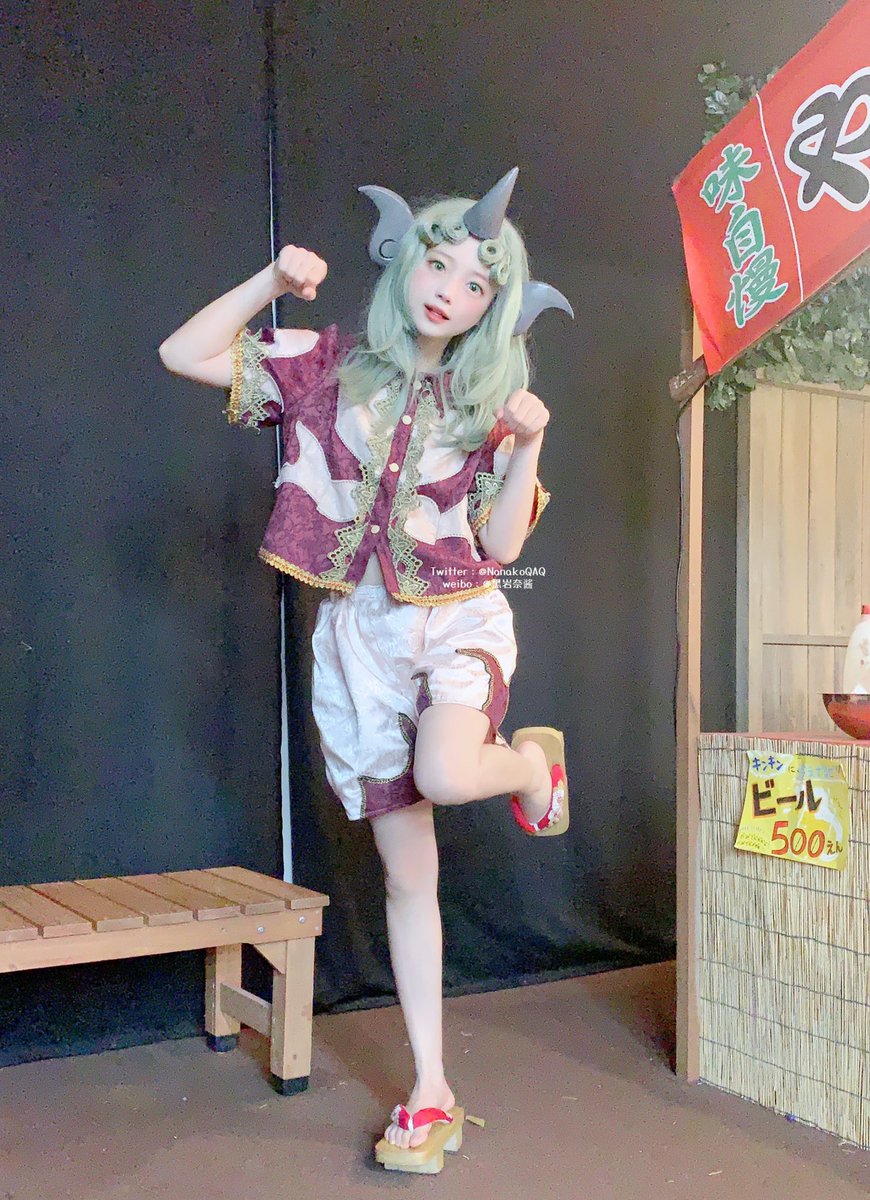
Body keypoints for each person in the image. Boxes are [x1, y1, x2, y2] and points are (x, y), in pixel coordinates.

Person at [159, 168, 572, 1172]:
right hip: (362, 642)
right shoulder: (325, 365)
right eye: (440, 265)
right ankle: (432, 1090)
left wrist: (529, 443)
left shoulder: (489, 402)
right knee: (406, 876)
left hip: (456, 619)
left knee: (446, 771)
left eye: (476, 284)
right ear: (404, 264)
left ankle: (530, 766)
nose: (450, 292)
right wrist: (272, 281)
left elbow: (503, 545)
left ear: (491, 308)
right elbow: (183, 353)